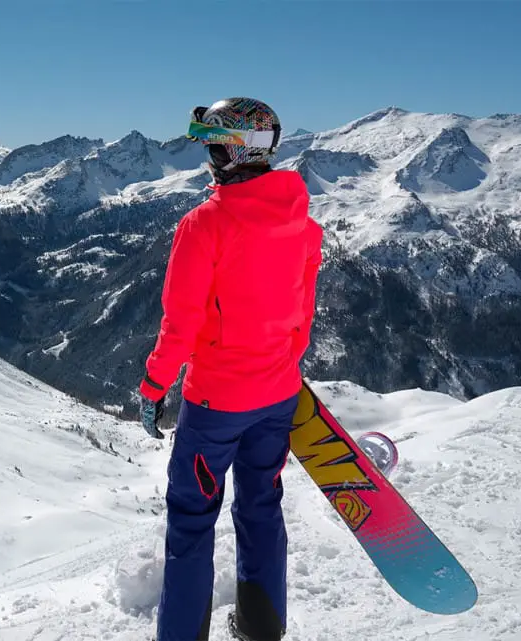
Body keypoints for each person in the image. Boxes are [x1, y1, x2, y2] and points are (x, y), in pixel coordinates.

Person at [138, 97, 324, 641]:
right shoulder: (303, 224)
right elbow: (301, 314)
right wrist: (282, 369)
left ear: (234, 148)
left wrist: (154, 386)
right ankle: (262, 628)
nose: (208, 154)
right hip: (277, 395)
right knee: (261, 508)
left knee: (193, 522)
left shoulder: (205, 225)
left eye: (213, 143)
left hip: (216, 404)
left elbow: (181, 323)